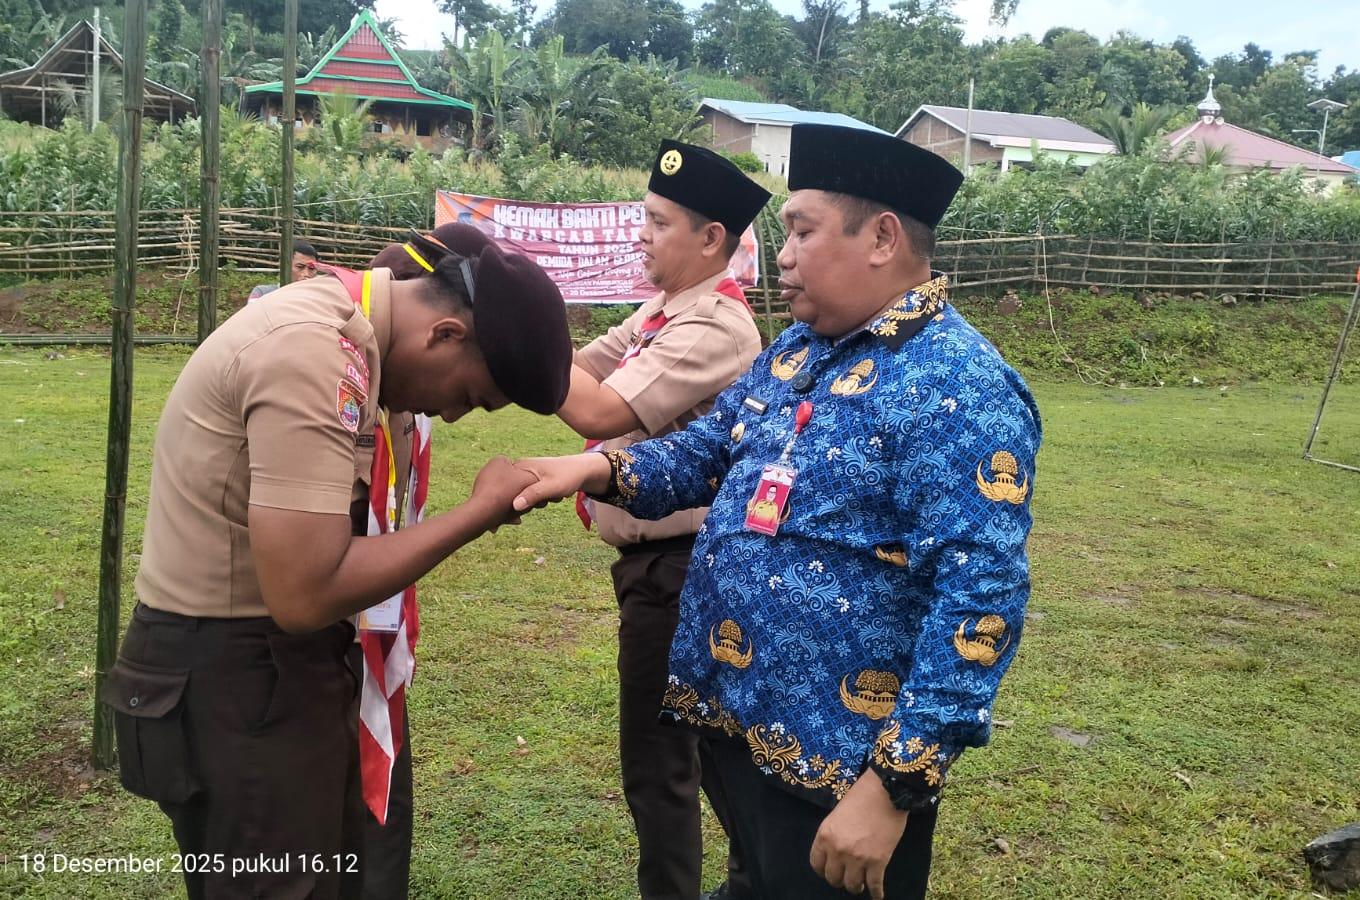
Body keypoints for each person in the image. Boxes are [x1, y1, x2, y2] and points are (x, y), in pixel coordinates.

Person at [513, 123, 1042, 900]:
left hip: (841, 765)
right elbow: (706, 455)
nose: (782, 255)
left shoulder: (961, 387)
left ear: (883, 238)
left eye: (801, 231)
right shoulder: (796, 350)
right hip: (736, 723)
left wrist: (890, 788)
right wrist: (590, 468)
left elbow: (980, 602)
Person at [100, 239, 572, 900]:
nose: (454, 413)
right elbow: (303, 590)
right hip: (233, 676)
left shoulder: (350, 340)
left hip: (279, 668)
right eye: (471, 394)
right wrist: (482, 511)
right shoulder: (313, 351)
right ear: (445, 333)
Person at [556, 139, 769, 900]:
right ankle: (754, 877)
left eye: (655, 221)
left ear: (710, 238)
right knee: (701, 754)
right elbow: (581, 363)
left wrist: (511, 344)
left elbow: (598, 403)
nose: (638, 234)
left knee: (661, 763)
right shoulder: (662, 310)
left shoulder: (713, 327)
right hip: (658, 567)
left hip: (680, 569)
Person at [354, 221, 498, 900]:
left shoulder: (401, 406)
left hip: (375, 653)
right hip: (326, 656)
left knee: (379, 822)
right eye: (465, 396)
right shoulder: (343, 387)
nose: (451, 412)